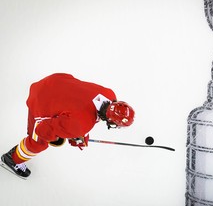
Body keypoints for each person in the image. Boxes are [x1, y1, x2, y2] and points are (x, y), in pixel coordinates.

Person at [0, 73, 135, 179]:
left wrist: (77, 133)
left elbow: (83, 112)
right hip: (39, 99)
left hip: (54, 81)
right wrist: (62, 134)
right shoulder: (81, 125)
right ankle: (11, 159)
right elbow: (43, 129)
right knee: (38, 143)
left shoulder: (109, 94)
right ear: (111, 122)